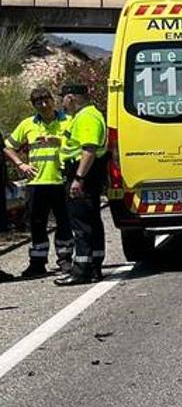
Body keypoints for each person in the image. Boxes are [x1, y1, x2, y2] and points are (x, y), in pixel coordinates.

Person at [4, 88, 74, 277]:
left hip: (61, 181)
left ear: (53, 100)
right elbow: (8, 146)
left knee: (64, 223)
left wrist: (58, 141)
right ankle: (37, 262)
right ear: (33, 105)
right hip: (36, 183)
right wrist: (21, 164)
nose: (44, 105)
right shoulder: (28, 124)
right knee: (36, 224)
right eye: (38, 103)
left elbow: (77, 144)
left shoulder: (68, 121)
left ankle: (65, 259)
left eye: (46, 101)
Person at [55, 84, 109, 286]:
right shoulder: (86, 115)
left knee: (82, 225)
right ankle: (94, 267)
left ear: (70, 97)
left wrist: (78, 179)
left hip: (83, 174)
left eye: (63, 98)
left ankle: (81, 271)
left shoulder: (86, 117)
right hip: (87, 174)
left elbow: (88, 149)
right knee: (92, 222)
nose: (62, 103)